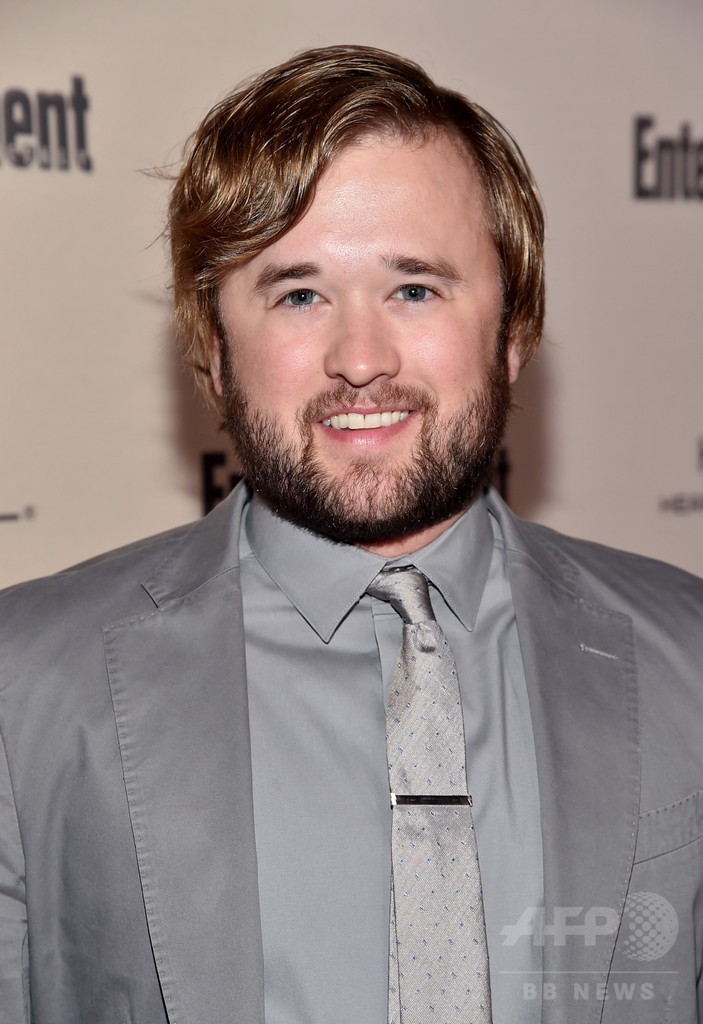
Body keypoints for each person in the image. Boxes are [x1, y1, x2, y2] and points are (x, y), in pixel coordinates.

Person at [0, 44, 701, 1024]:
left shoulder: (686, 655)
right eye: (299, 294)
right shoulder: (23, 688)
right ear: (214, 348)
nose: (360, 359)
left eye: (414, 287)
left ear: (513, 331)